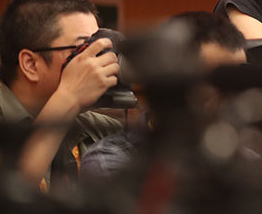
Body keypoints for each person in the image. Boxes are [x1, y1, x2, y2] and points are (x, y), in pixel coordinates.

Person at [0, 0, 121, 188]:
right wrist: (68, 97)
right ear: (31, 65)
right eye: (83, 49)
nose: (96, 61)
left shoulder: (103, 127)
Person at [79, 11, 248, 179]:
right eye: (214, 82)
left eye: (235, 83)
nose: (230, 98)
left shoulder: (246, 157)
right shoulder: (112, 159)